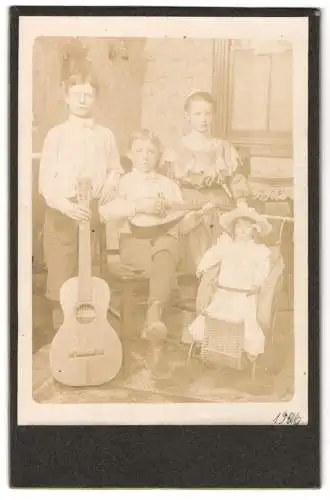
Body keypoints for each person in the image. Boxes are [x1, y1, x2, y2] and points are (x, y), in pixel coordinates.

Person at [99, 129, 204, 379]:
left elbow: (181, 224)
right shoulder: (122, 182)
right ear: (129, 154)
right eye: (139, 151)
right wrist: (138, 206)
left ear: (158, 155)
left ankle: (153, 323)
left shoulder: (169, 185)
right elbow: (105, 214)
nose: (145, 157)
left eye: (151, 151)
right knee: (164, 258)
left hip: (165, 244)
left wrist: (197, 217)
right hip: (134, 244)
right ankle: (155, 331)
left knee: (168, 246)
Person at [39, 71, 123, 330]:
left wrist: (110, 183)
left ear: (96, 98)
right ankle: (63, 338)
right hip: (63, 212)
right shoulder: (56, 135)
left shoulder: (105, 135)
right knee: (62, 275)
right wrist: (66, 206)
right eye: (78, 95)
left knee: (90, 273)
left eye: (89, 95)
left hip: (92, 210)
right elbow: (45, 183)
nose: (83, 100)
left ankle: (90, 332)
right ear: (66, 98)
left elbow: (115, 168)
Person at [161, 90, 248, 270]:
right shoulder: (177, 148)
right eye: (197, 114)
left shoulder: (223, 147)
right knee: (191, 231)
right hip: (187, 202)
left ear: (213, 115)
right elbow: (168, 182)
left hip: (218, 202)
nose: (203, 119)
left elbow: (236, 179)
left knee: (224, 239)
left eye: (207, 113)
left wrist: (241, 202)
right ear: (187, 116)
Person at [188, 204, 273, 361]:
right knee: (215, 315)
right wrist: (202, 268)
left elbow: (262, 269)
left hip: (244, 295)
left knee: (243, 320)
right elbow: (212, 255)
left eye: (247, 227)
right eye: (238, 226)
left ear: (254, 230)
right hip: (224, 292)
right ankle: (208, 341)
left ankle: (247, 348)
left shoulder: (258, 251)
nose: (242, 230)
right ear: (233, 228)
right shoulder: (226, 246)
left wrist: (257, 283)